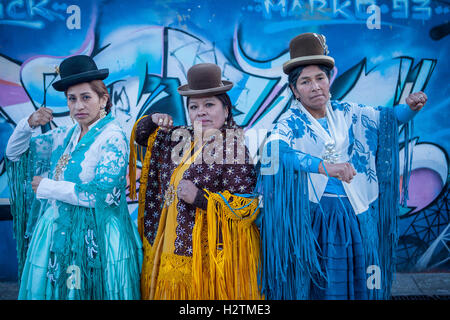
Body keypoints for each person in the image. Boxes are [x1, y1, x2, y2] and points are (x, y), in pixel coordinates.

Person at [258, 33, 427, 300]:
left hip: (355, 215)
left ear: (329, 81)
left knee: (359, 283)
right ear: (294, 90)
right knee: (323, 288)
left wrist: (410, 108)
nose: (315, 87)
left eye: (320, 78)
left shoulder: (349, 113)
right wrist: (325, 167)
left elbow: (389, 119)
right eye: (305, 81)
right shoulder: (290, 122)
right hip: (317, 221)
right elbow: (273, 152)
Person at [5, 55, 143, 299]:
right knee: (68, 289)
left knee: (92, 290)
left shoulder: (112, 137)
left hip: (99, 238)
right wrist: (28, 123)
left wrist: (49, 187)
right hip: (62, 233)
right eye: (72, 99)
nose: (78, 106)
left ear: (103, 99)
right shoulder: (66, 135)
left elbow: (103, 195)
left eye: (86, 97)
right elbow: (14, 153)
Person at [129, 63, 261, 300]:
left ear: (226, 110)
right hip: (169, 247)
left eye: (209, 104)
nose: (201, 112)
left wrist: (200, 198)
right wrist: (153, 119)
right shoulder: (180, 138)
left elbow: (246, 207)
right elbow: (141, 135)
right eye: (194, 106)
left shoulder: (234, 148)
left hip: (206, 259)